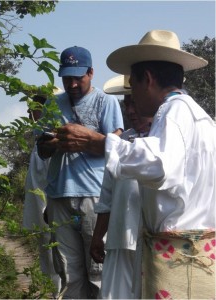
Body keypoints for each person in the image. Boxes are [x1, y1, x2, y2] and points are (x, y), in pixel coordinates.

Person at [103, 29, 216, 299]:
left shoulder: (172, 112)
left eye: (134, 84)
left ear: (148, 79)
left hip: (175, 255)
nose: (132, 97)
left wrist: (100, 143)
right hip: (200, 250)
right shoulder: (201, 118)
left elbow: (159, 164)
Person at [36, 46, 124, 299]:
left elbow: (116, 147)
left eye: (78, 77)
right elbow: (41, 149)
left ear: (91, 73)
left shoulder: (105, 102)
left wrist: (83, 139)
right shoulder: (53, 103)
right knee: (67, 272)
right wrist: (51, 144)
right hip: (59, 195)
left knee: (99, 269)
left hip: (94, 196)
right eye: (67, 78)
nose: (72, 84)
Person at [90, 75, 152, 299]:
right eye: (126, 103)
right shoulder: (118, 144)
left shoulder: (164, 143)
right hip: (118, 241)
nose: (130, 110)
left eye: (135, 102)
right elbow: (107, 197)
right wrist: (98, 236)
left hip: (152, 242)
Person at [23, 89, 62, 298]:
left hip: (51, 211)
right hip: (40, 211)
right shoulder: (39, 140)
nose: (30, 112)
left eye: (36, 108)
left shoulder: (53, 142)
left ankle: (58, 294)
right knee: (46, 254)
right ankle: (52, 292)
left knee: (56, 253)